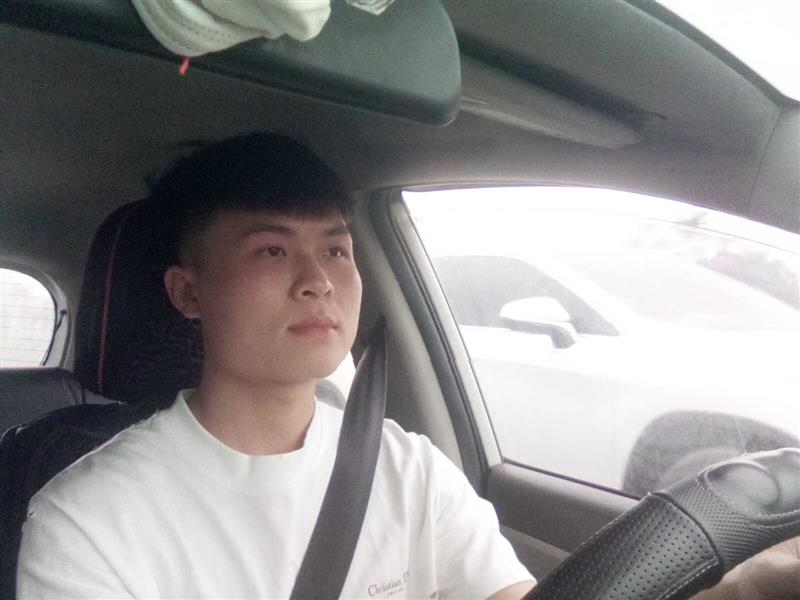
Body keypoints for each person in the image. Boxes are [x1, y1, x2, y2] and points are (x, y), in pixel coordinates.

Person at [16, 134, 799, 599]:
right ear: (189, 293)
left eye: (335, 249)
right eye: (272, 250)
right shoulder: (89, 518)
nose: (318, 279)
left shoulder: (407, 469)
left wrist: (737, 589)